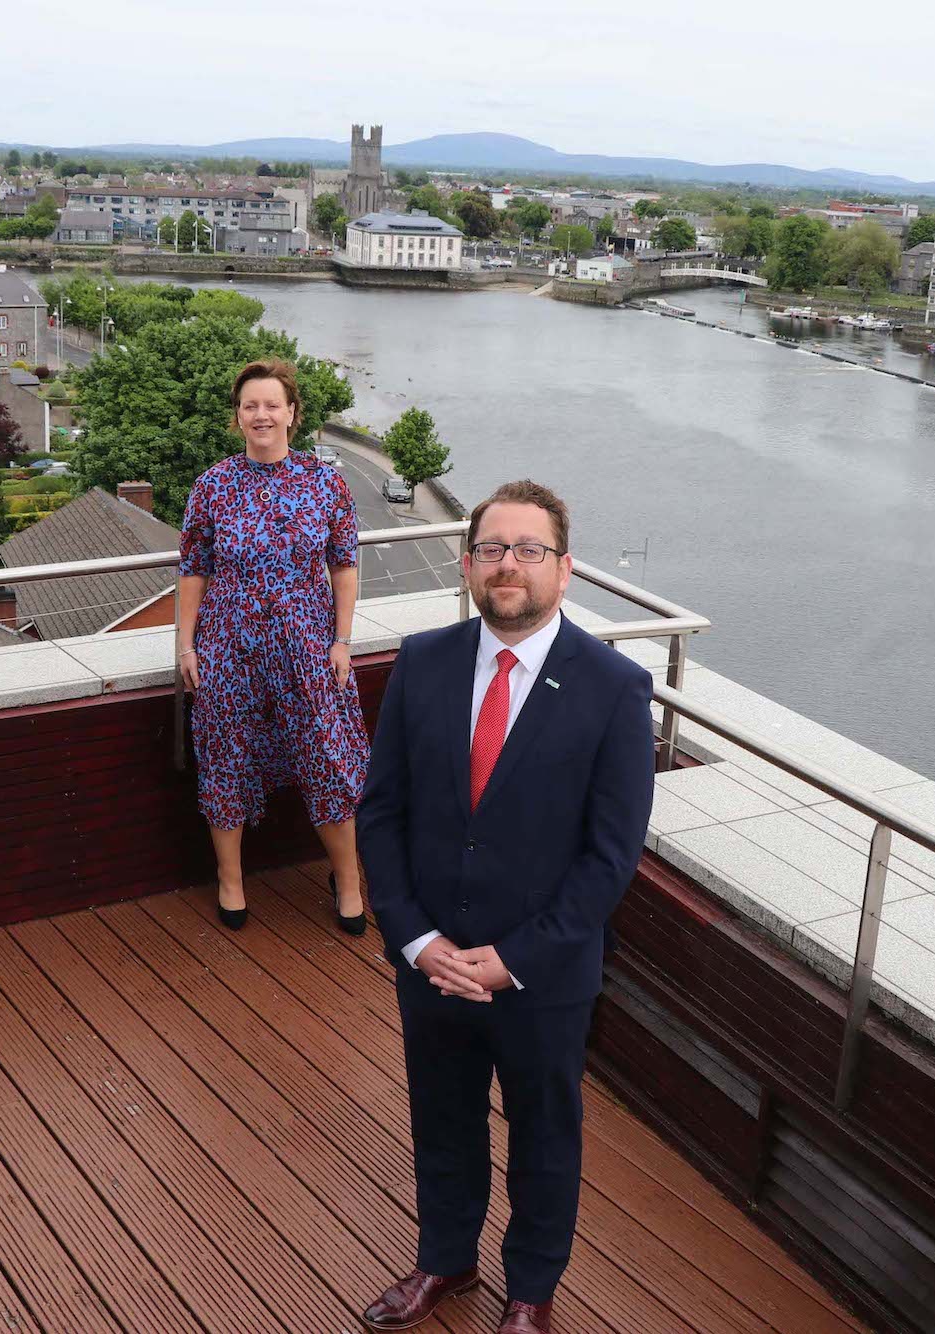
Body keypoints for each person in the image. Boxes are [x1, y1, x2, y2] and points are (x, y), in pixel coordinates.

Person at [355, 480, 656, 1334]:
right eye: (492, 549)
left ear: (566, 568)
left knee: (543, 1138)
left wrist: (516, 955)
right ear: (469, 564)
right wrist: (415, 938)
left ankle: (530, 1291)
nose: (508, 566)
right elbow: (381, 811)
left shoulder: (613, 688)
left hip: (543, 976)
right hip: (433, 965)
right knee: (442, 1122)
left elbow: (610, 857)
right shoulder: (423, 661)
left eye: (528, 550)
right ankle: (444, 1261)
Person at [176, 358, 370, 934]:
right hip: (228, 648)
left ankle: (350, 881)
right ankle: (230, 881)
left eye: (271, 404)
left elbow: (344, 564)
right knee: (225, 761)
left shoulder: (325, 482)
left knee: (328, 762)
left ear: (292, 413)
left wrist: (342, 639)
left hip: (308, 649)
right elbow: (193, 570)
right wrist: (186, 646)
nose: (260, 414)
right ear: (237, 418)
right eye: (249, 406)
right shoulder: (212, 485)